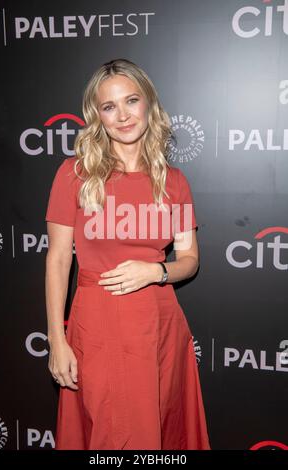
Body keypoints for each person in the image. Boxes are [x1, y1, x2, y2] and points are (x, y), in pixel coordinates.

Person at [45, 58, 210, 450]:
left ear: (148, 103)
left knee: (162, 431)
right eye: (109, 107)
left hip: (160, 327)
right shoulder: (73, 174)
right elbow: (57, 260)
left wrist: (155, 270)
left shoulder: (175, 181)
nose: (122, 115)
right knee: (108, 432)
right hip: (96, 326)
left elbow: (189, 259)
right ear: (97, 116)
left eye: (131, 101)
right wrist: (57, 339)